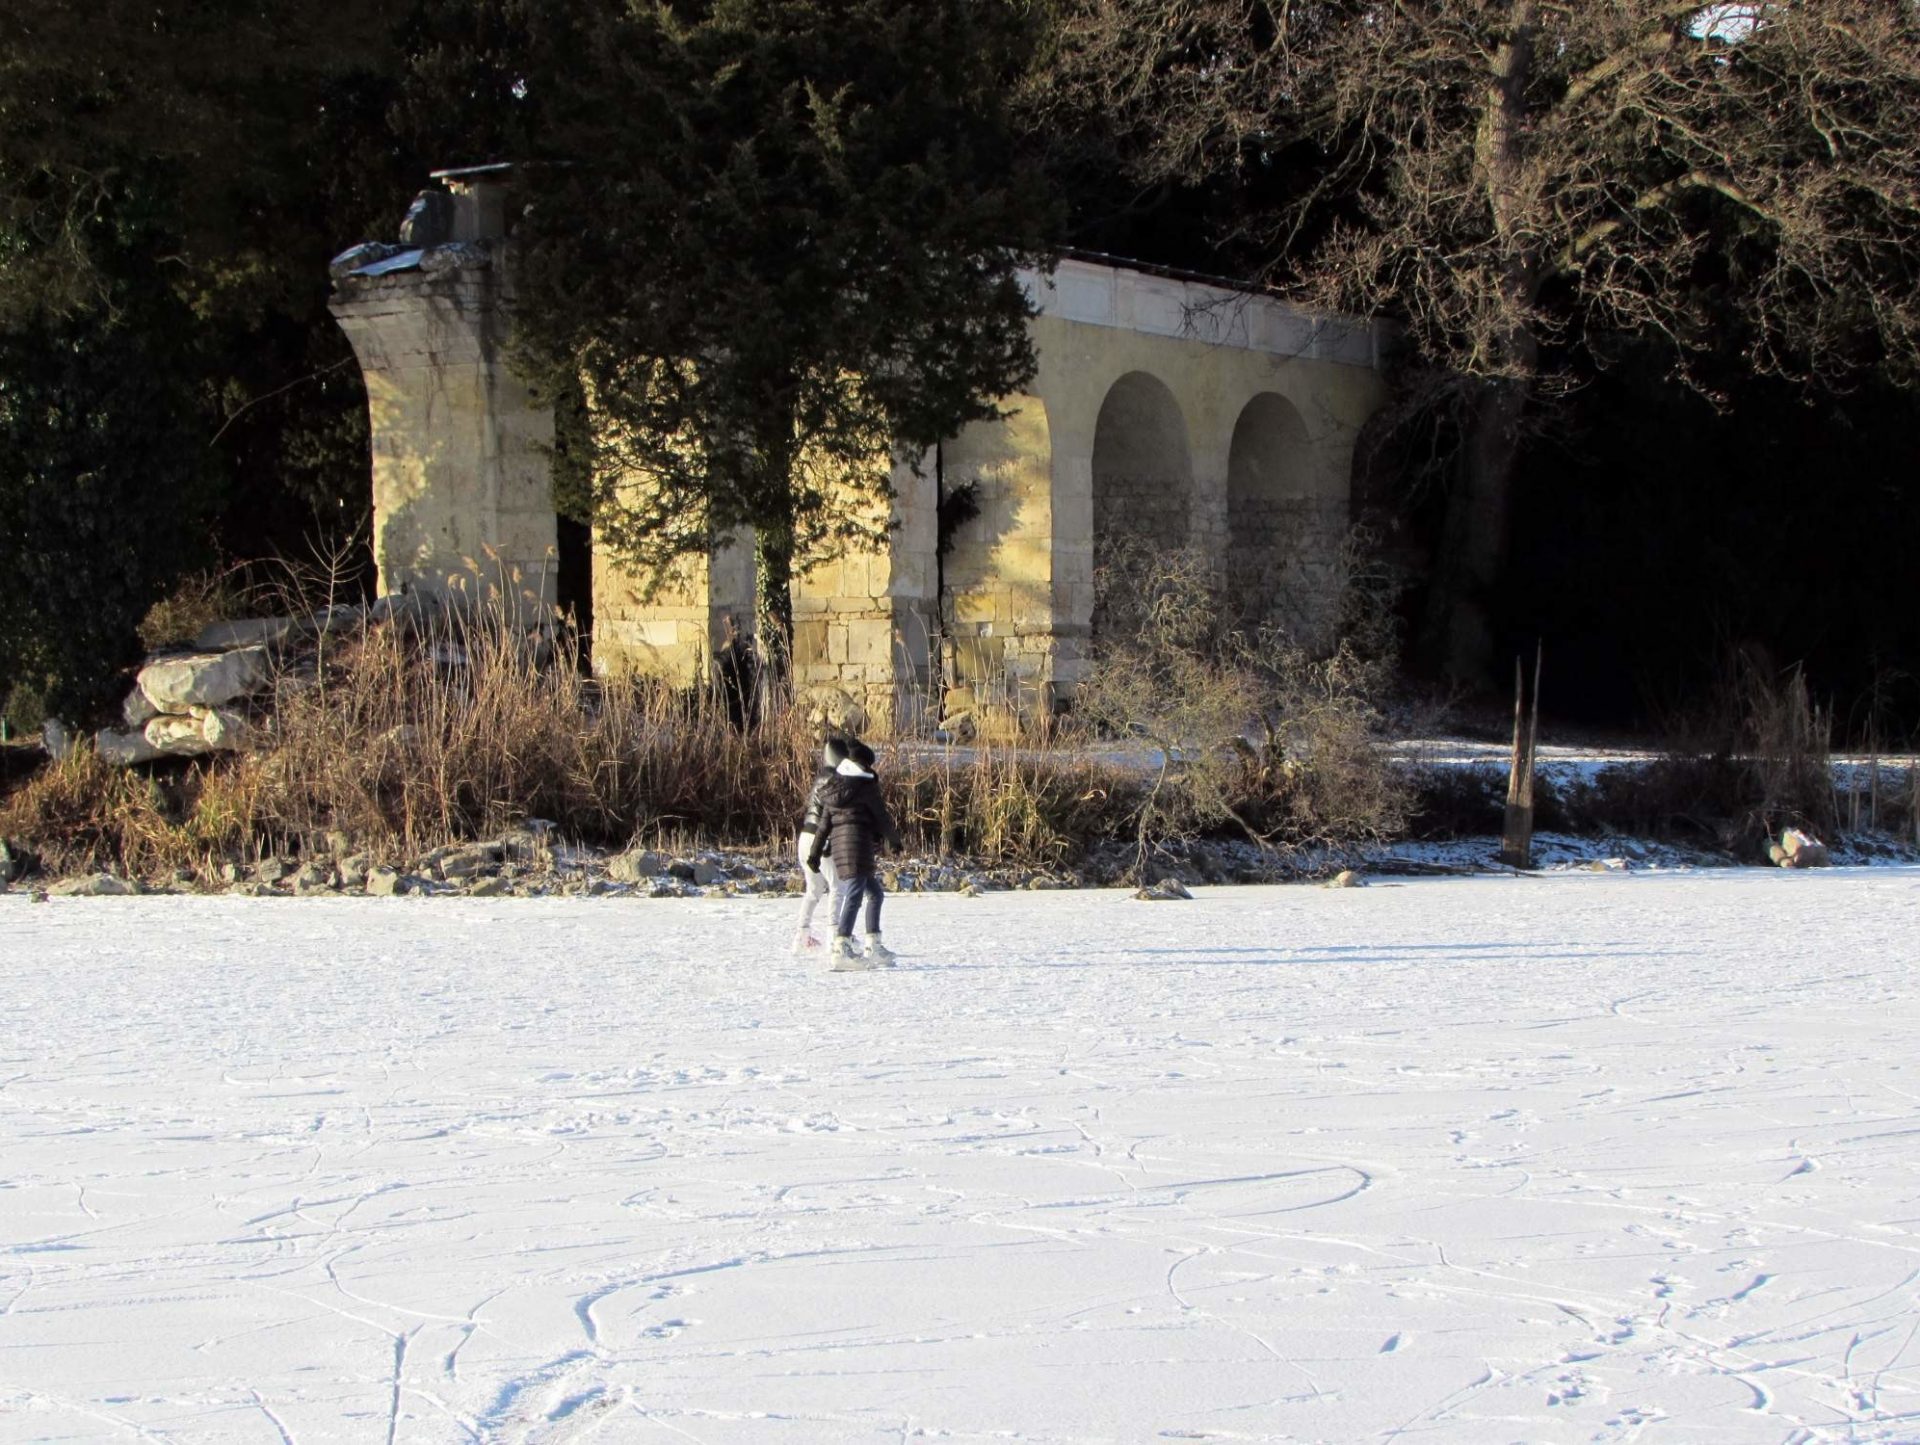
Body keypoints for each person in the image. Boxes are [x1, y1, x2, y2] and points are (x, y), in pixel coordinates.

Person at [807, 740, 903, 971]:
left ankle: (873, 945)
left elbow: (823, 826)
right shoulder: (864, 786)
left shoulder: (834, 787)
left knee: (875, 894)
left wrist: (815, 853)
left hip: (842, 849)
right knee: (854, 895)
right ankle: (842, 947)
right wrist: (894, 840)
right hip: (858, 845)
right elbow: (881, 816)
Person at [792, 735, 850, 955]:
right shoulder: (835, 778)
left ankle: (802, 935)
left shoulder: (821, 777)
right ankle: (834, 937)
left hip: (805, 835)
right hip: (820, 836)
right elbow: (834, 811)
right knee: (838, 886)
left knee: (814, 889)